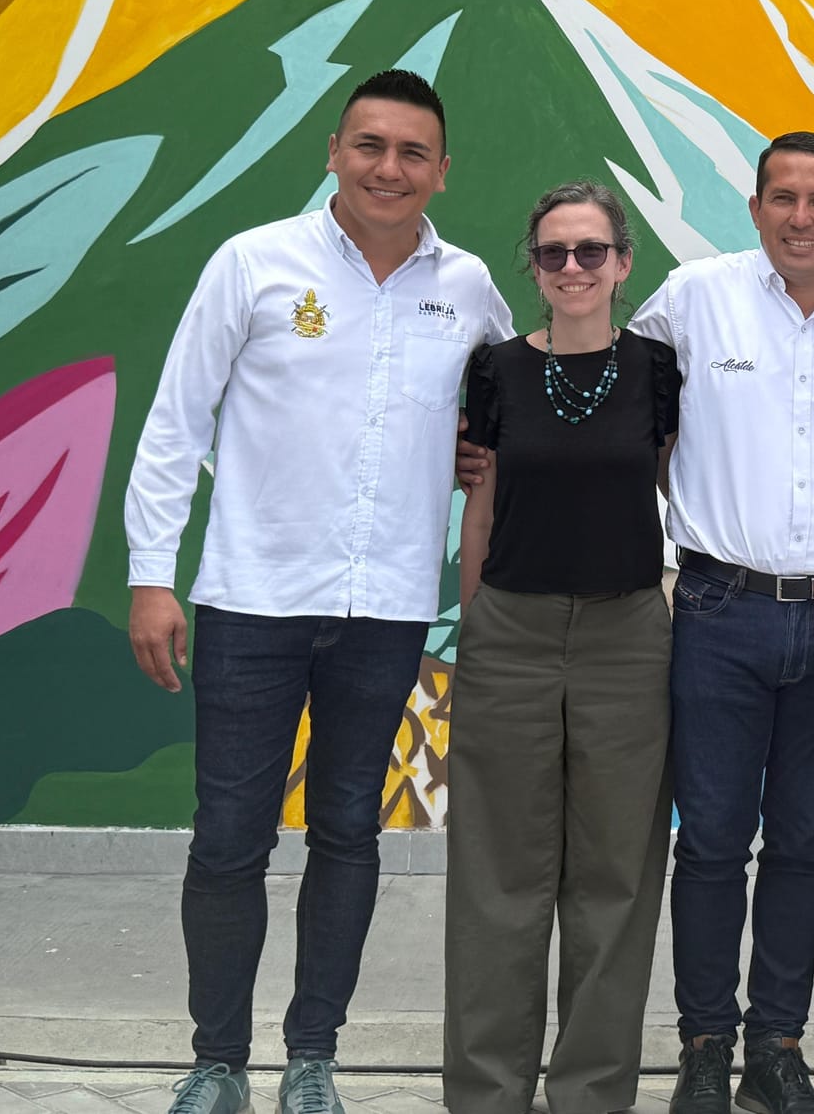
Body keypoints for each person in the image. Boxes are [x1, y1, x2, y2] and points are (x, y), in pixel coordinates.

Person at [124, 70, 511, 1114]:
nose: (390, 168)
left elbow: (506, 405)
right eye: (370, 145)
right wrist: (151, 576)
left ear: (441, 171)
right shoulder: (253, 263)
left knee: (348, 831)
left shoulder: (467, 286)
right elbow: (175, 423)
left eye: (413, 152)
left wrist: (477, 451)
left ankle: (312, 1059)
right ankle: (217, 1062)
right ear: (335, 151)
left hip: (386, 607)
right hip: (252, 597)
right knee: (229, 836)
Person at [636, 132, 814, 1114]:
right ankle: (704, 1045)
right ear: (755, 207)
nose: (801, 218)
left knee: (805, 841)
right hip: (718, 609)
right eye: (783, 198)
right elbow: (630, 414)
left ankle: (776, 1046)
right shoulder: (693, 298)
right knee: (712, 840)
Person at [443, 182, 678, 1114]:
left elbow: (675, 490)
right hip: (512, 629)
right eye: (553, 253)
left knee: (617, 876)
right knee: (497, 872)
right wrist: (477, 626)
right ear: (534, 269)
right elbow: (481, 508)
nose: (573, 267)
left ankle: (591, 1091)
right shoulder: (497, 370)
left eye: (591, 251)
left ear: (623, 264)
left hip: (629, 633)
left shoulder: (658, 370)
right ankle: (486, 1090)